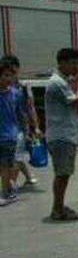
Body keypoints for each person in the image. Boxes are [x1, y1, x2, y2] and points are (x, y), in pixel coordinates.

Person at [44, 49, 78, 220]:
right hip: (61, 135)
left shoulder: (62, 80)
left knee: (64, 173)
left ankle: (59, 206)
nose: (76, 66)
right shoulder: (57, 83)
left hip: (65, 134)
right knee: (62, 174)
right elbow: (75, 99)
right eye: (73, 63)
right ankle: (57, 209)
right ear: (62, 63)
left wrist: (75, 80)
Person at [5, 55, 40, 189]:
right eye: (7, 73)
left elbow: (31, 108)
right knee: (12, 157)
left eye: (13, 72)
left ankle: (10, 185)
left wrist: (35, 127)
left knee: (17, 157)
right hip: (5, 130)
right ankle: (27, 177)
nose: (10, 76)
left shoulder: (23, 88)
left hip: (19, 128)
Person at [0, 59, 22, 204]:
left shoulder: (15, 93)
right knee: (5, 165)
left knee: (8, 165)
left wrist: (30, 129)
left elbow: (20, 113)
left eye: (10, 75)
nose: (8, 79)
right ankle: (7, 191)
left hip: (9, 136)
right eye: (5, 75)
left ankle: (6, 191)